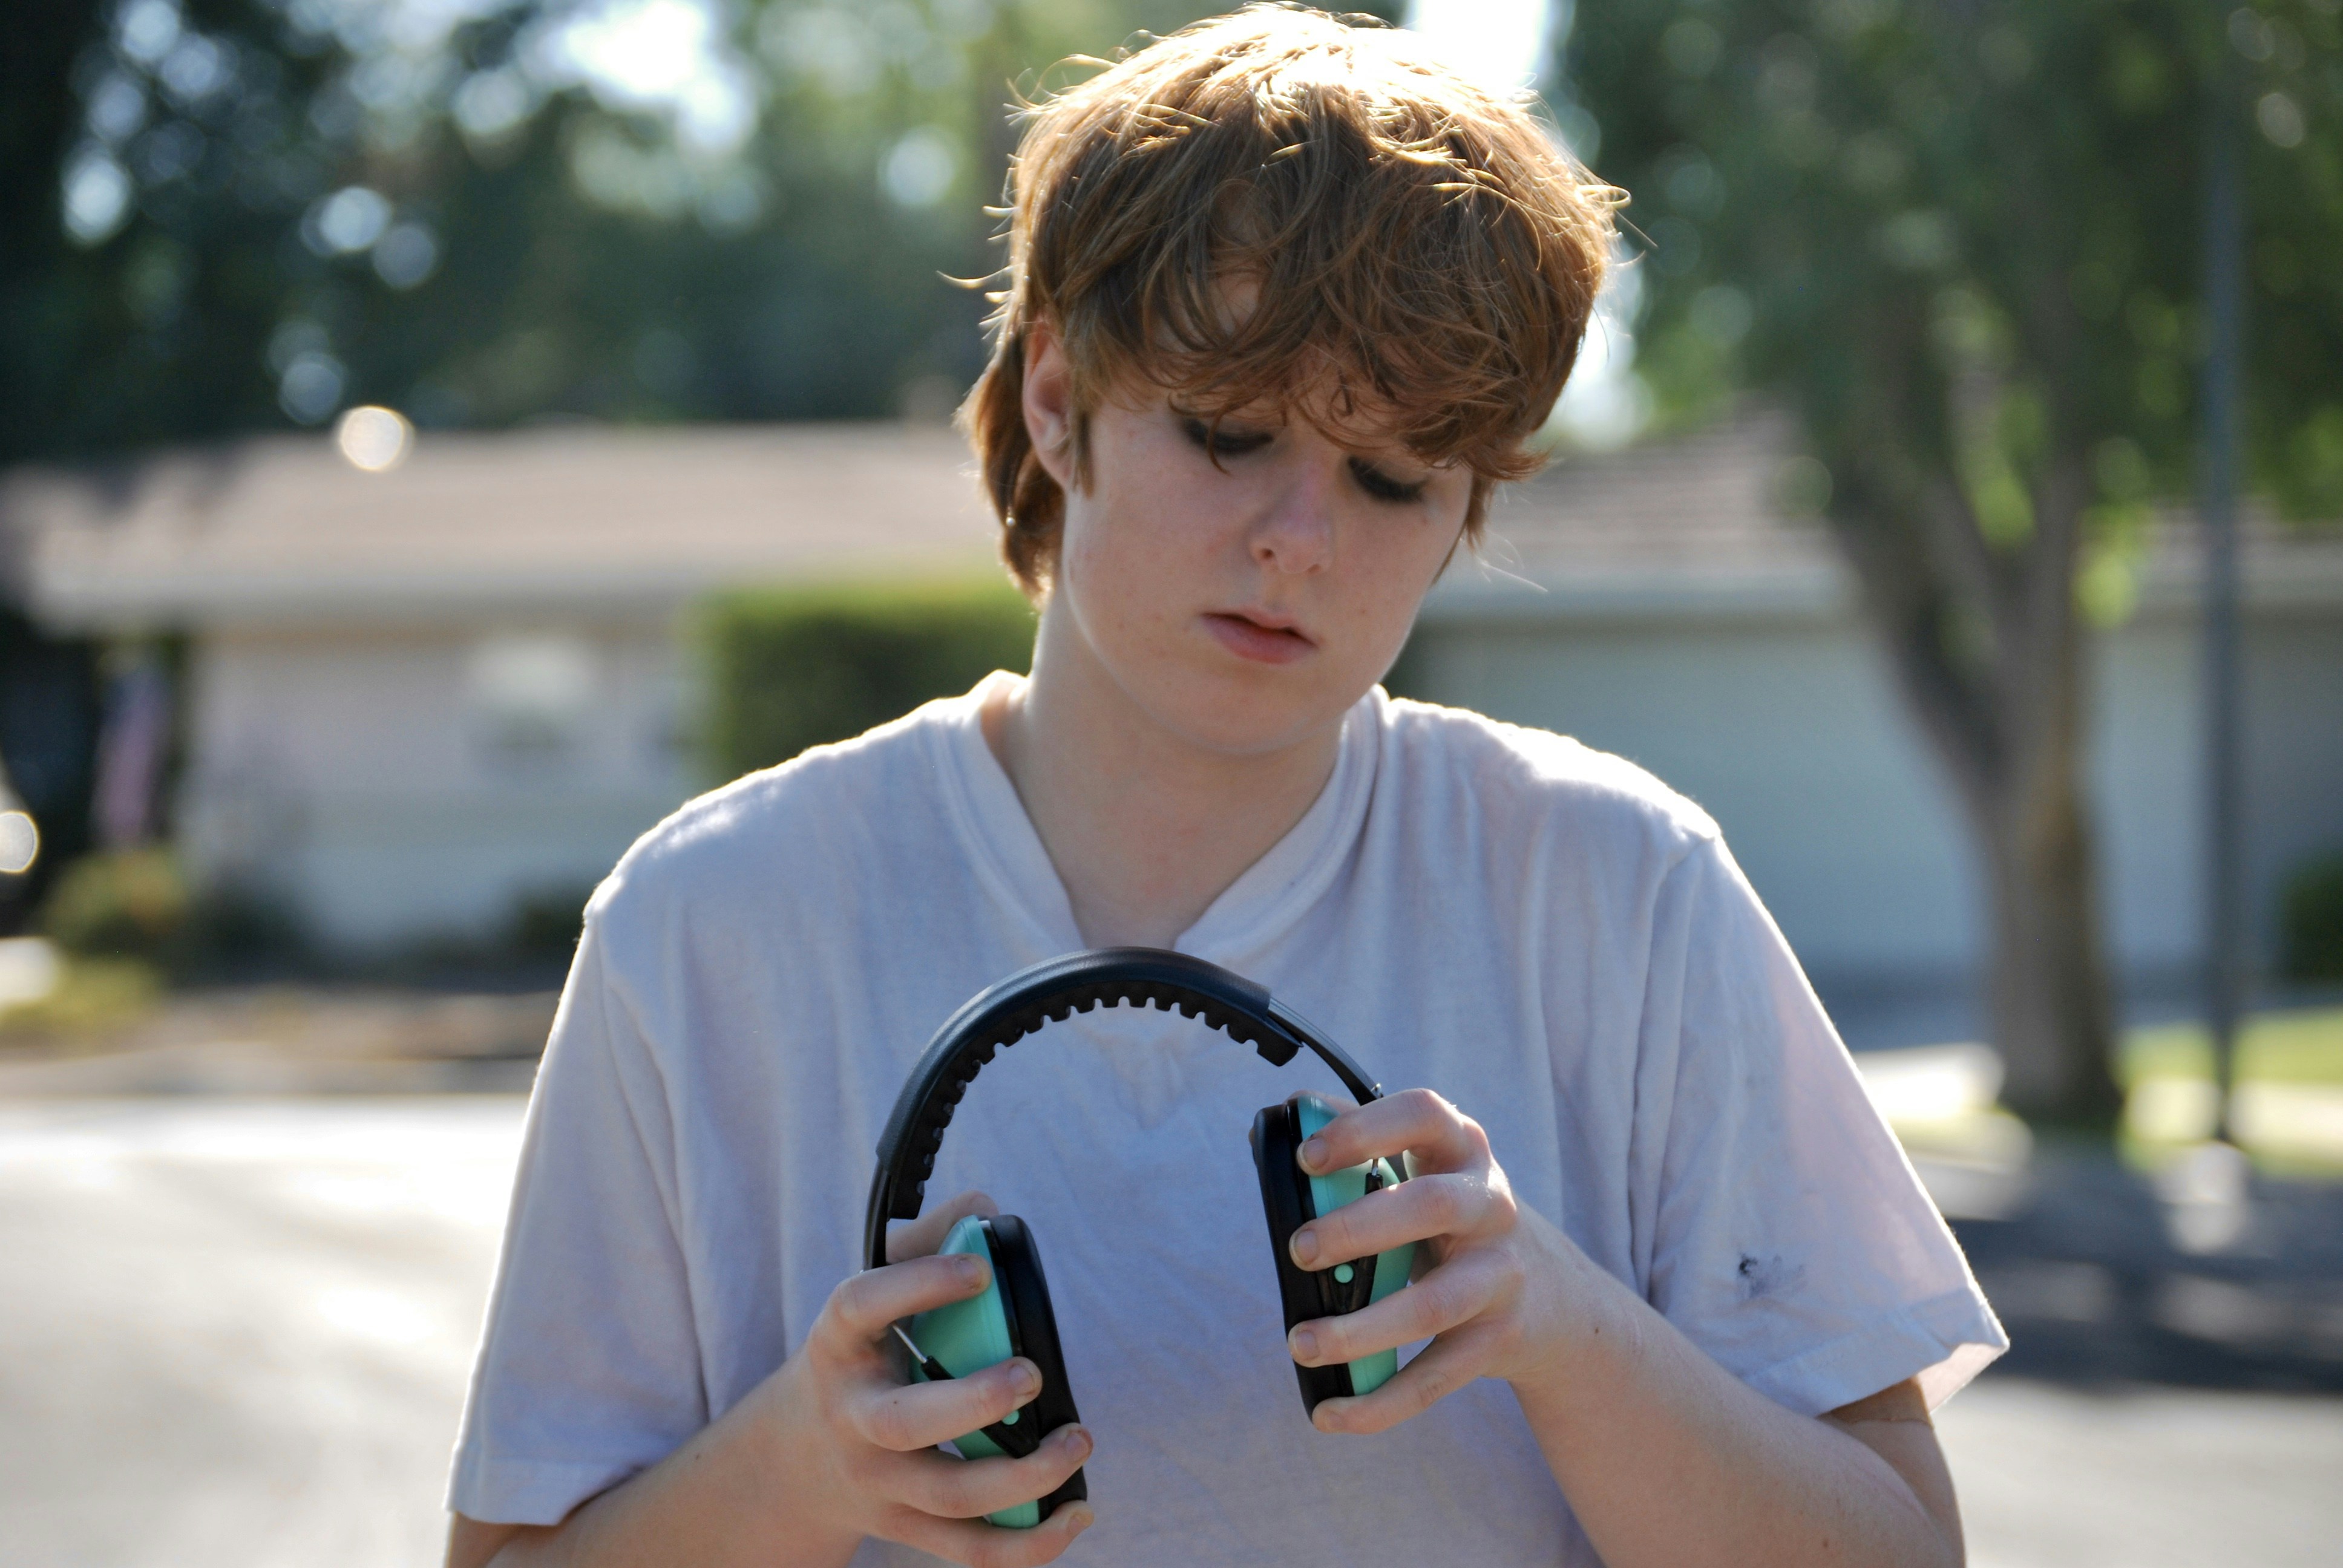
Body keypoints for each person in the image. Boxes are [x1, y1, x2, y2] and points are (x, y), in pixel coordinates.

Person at [444, 8, 2005, 1566]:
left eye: (1396, 478)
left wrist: (1565, 1327)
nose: (1301, 540)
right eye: (1228, 433)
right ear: (1057, 400)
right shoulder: (705, 926)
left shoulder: (1624, 892)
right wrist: (802, 1464)